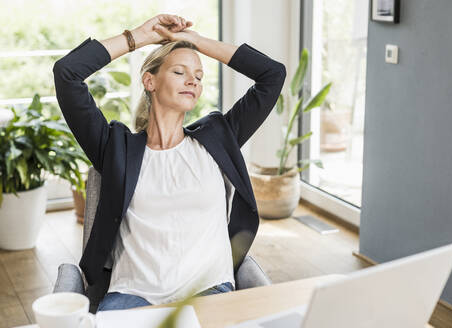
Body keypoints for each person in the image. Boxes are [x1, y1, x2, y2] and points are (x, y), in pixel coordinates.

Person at [53, 13, 286, 312]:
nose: (193, 80)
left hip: (208, 291)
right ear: (149, 80)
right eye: (179, 72)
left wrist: (195, 42)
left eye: (199, 76)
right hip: (131, 297)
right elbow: (67, 74)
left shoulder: (218, 138)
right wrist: (137, 37)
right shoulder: (116, 148)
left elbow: (272, 75)